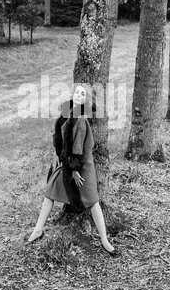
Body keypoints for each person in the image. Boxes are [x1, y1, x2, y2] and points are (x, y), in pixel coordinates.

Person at [28, 84, 117, 256]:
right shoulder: (66, 111)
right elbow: (59, 136)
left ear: (85, 99)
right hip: (67, 163)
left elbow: (78, 146)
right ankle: (38, 229)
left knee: (93, 201)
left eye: (82, 94)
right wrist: (59, 155)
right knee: (50, 192)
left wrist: (75, 169)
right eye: (77, 92)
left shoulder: (81, 119)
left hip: (82, 165)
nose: (78, 95)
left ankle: (104, 240)